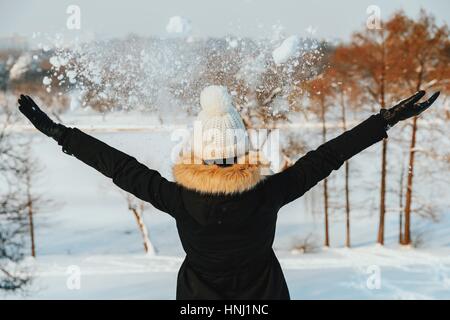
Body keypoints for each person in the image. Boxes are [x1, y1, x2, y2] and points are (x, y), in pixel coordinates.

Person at [17, 85, 439, 299]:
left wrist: (60, 133)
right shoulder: (266, 193)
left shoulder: (179, 197)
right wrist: (383, 120)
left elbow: (117, 166)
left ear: (199, 153)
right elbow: (327, 157)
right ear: (243, 151)